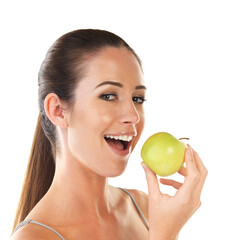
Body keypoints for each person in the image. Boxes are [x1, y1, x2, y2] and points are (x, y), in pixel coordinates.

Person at [11, 29, 208, 240]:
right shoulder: (34, 236)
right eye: (109, 96)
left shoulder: (146, 209)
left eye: (137, 99)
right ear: (58, 111)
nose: (133, 116)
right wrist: (166, 234)